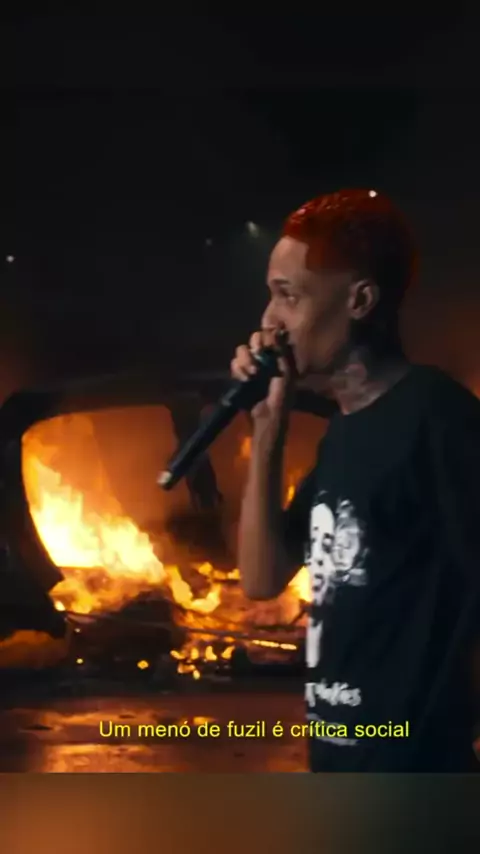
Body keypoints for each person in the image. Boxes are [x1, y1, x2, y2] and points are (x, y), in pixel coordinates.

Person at [231, 188, 480, 772]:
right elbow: (263, 579)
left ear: (361, 300)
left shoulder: (438, 418)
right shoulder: (344, 432)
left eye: (289, 296)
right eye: (270, 295)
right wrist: (267, 428)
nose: (270, 321)